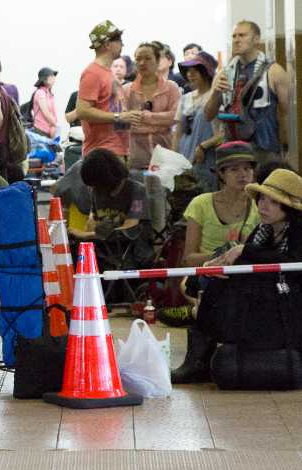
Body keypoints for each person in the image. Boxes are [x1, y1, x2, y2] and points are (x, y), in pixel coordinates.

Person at [171, 167, 302, 384]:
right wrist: (216, 264)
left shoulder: (298, 230)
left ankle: (199, 359)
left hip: (291, 304)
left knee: (227, 285)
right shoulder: (265, 229)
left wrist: (243, 251)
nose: (263, 206)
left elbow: (291, 263)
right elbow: (247, 256)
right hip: (270, 298)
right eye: (261, 199)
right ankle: (199, 357)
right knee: (219, 279)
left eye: (273, 201)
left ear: (289, 208)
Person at [205, 20, 290, 166]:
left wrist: (286, 149)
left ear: (256, 39)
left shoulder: (274, 72)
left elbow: (285, 115)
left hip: (264, 150)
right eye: (234, 36)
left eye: (242, 35)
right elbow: (208, 115)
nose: (237, 40)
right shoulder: (224, 73)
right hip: (232, 151)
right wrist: (215, 93)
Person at [69, 149, 152, 269]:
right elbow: (93, 222)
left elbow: (130, 228)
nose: (94, 189)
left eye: (97, 185)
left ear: (106, 179)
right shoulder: (96, 190)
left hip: (130, 250)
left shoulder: (137, 191)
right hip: (104, 248)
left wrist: (85, 235)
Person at [182, 141, 259, 267]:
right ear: (221, 174)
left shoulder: (260, 205)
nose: (243, 174)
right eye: (234, 169)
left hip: (245, 275)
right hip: (207, 273)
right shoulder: (200, 204)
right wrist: (222, 255)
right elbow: (188, 259)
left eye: (247, 168)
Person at [75, 21, 141, 159]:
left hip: (116, 151)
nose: (122, 45)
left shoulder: (109, 75)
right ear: (107, 44)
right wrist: (119, 117)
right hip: (103, 153)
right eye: (119, 40)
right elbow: (82, 111)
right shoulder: (92, 73)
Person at [125, 42, 180, 171]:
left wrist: (144, 116)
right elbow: (122, 122)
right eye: (138, 59)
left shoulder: (171, 88)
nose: (142, 63)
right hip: (135, 158)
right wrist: (160, 123)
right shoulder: (126, 90)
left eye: (148, 58)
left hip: (165, 157)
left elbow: (174, 117)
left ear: (157, 61)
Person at [175, 51, 222, 190]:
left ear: (206, 72)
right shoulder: (185, 98)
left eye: (195, 70)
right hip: (184, 158)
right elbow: (178, 133)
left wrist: (204, 146)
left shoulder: (216, 98)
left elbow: (223, 133)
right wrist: (173, 158)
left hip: (207, 160)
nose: (190, 74)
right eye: (188, 71)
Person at [31, 67, 58, 138]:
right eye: (51, 76)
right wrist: (55, 124)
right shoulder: (41, 93)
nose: (54, 78)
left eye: (53, 76)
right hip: (41, 131)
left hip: (49, 131)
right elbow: (46, 112)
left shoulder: (49, 93)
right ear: (44, 79)